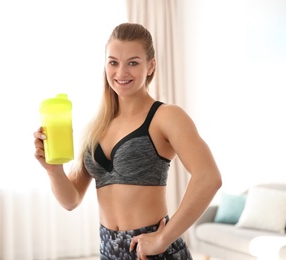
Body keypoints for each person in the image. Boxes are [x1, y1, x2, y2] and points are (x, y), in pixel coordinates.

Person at [34, 22, 222, 260]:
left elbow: (209, 177)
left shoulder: (166, 116)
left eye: (133, 62)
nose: (121, 72)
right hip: (109, 252)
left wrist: (162, 239)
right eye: (113, 62)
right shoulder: (96, 127)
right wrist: (53, 170)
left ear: (151, 65)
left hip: (151, 252)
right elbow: (71, 200)